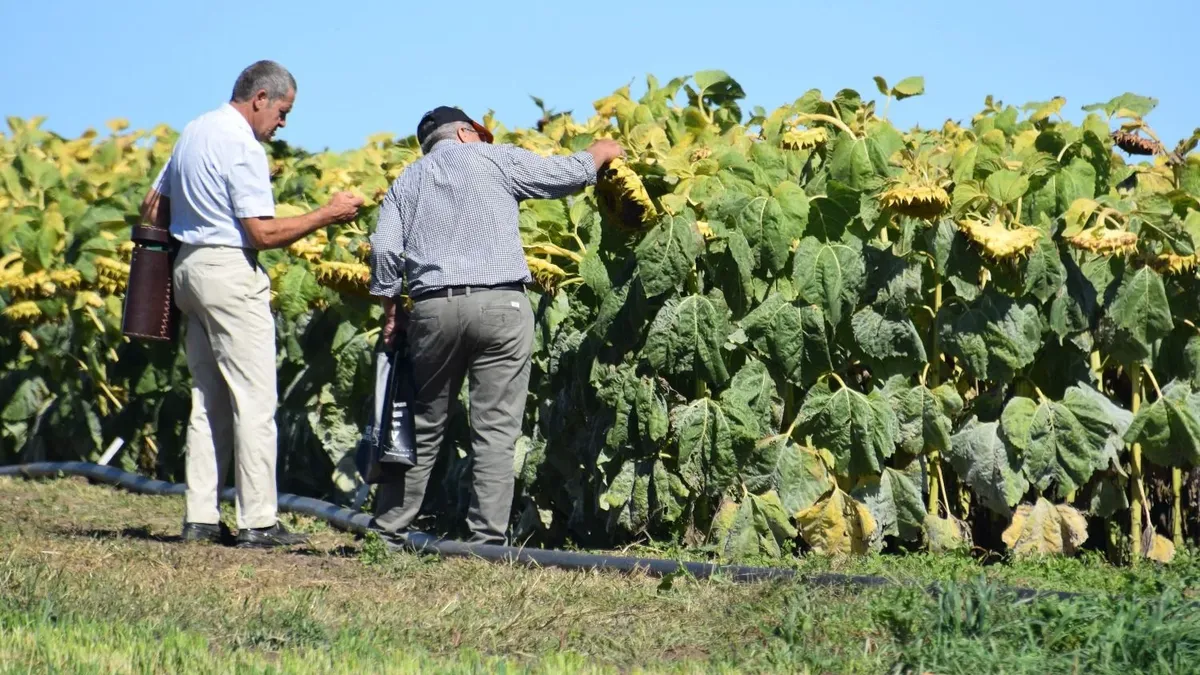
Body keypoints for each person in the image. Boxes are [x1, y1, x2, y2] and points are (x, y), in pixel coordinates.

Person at [366, 105, 624, 545]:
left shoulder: (407, 180)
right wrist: (599, 153)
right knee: (497, 428)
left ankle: (388, 532)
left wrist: (393, 309)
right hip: (502, 304)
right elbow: (562, 176)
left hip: (435, 308)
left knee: (424, 425)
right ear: (466, 134)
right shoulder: (497, 158)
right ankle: (484, 542)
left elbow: (385, 248)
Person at [139, 60, 363, 548]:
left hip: (188, 269)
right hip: (228, 271)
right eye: (283, 111)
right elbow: (261, 233)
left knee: (207, 399)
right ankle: (258, 522)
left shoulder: (195, 130)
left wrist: (195, 221)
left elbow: (152, 206)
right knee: (255, 401)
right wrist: (327, 213)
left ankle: (200, 518)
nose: (283, 123)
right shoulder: (241, 145)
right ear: (260, 98)